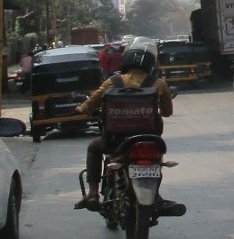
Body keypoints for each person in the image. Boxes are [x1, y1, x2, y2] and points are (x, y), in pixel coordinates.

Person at [72, 45, 181, 214]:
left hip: (116, 141)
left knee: (94, 148)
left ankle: (93, 193)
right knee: (156, 162)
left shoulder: (112, 82)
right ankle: (156, 196)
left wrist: (80, 109)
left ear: (125, 62)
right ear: (150, 65)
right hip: (150, 139)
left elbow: (90, 104)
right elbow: (167, 113)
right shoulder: (158, 83)